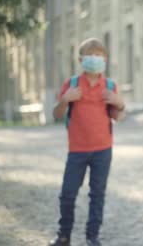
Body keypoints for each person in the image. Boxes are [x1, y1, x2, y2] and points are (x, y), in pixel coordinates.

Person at [49, 38, 125, 246]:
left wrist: (120, 103)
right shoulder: (72, 84)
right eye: (91, 55)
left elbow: (116, 117)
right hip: (77, 150)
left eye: (99, 55)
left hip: (103, 150)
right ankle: (64, 235)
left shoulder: (109, 86)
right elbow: (56, 115)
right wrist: (65, 99)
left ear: (105, 59)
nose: (95, 59)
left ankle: (92, 236)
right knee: (67, 194)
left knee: (97, 195)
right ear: (81, 59)